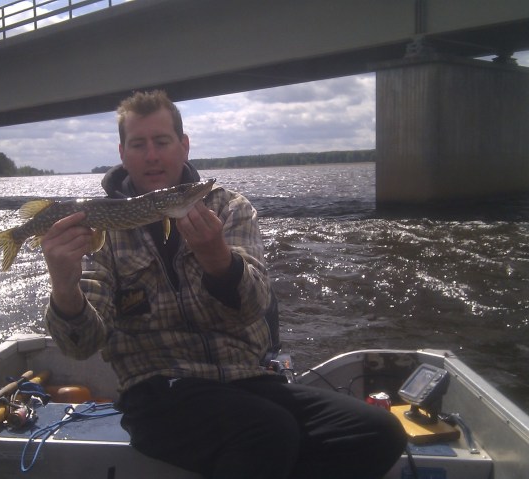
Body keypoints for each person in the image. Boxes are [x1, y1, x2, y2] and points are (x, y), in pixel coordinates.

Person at [41, 90, 406, 479]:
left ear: (184, 145)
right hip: (158, 393)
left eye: (162, 142)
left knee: (377, 432)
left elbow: (255, 307)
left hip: (247, 379)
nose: (151, 156)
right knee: (268, 430)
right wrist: (64, 285)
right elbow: (80, 345)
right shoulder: (99, 227)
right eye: (138, 144)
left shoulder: (229, 207)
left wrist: (218, 259)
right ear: (122, 153)